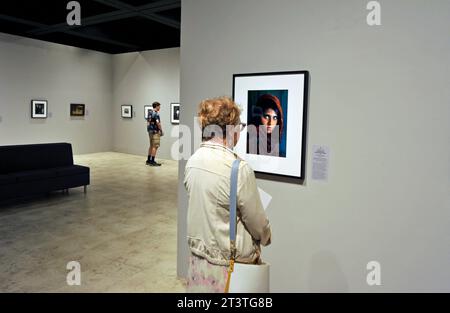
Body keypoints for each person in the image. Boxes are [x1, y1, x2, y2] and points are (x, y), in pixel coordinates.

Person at [184, 96, 272, 293]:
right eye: (239, 126)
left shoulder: (193, 161)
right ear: (230, 129)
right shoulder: (238, 169)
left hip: (199, 261)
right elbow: (257, 222)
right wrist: (266, 236)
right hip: (228, 268)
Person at [146, 101, 164, 166]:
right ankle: (152, 161)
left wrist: (148, 129)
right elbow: (158, 123)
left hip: (150, 131)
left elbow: (148, 122)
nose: (159, 108)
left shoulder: (149, 112)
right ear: (156, 106)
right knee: (155, 146)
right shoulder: (156, 114)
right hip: (155, 132)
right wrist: (161, 130)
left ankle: (148, 160)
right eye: (159, 106)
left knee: (151, 145)